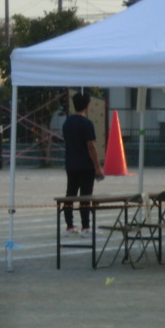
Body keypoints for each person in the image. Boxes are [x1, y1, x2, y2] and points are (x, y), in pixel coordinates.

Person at [62, 92, 105, 238]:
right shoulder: (87, 124)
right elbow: (91, 146)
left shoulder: (67, 123)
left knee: (70, 194)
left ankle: (69, 225)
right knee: (85, 196)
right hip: (86, 166)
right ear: (87, 106)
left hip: (71, 164)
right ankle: (86, 227)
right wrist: (97, 166)